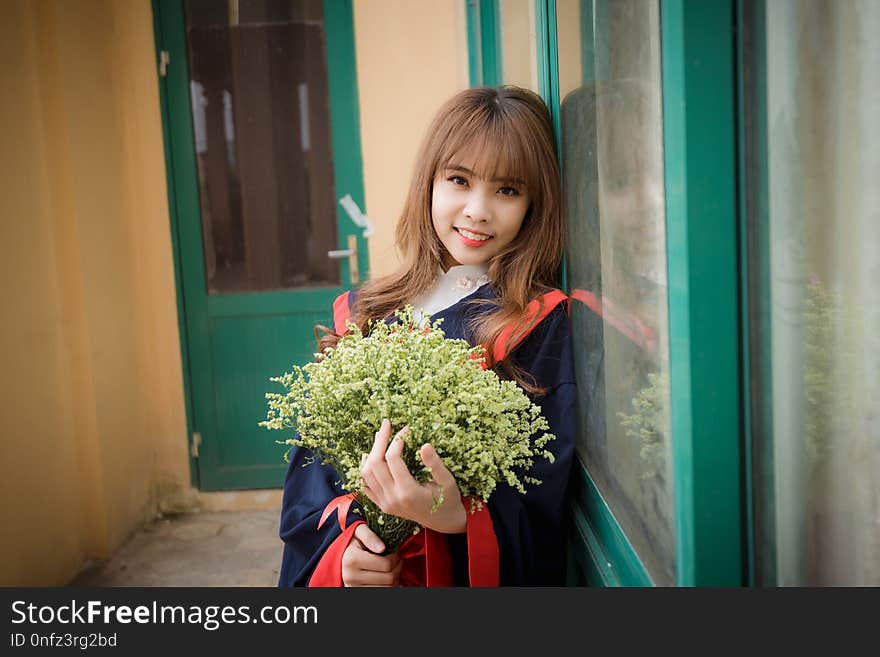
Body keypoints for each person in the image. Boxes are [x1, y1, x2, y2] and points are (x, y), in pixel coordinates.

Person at [278, 85, 576, 587]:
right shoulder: (367, 312)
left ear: (535, 203)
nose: (478, 210)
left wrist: (452, 513)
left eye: (507, 190)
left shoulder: (534, 325)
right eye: (459, 179)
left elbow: (542, 500)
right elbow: (313, 478)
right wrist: (350, 548)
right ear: (429, 183)